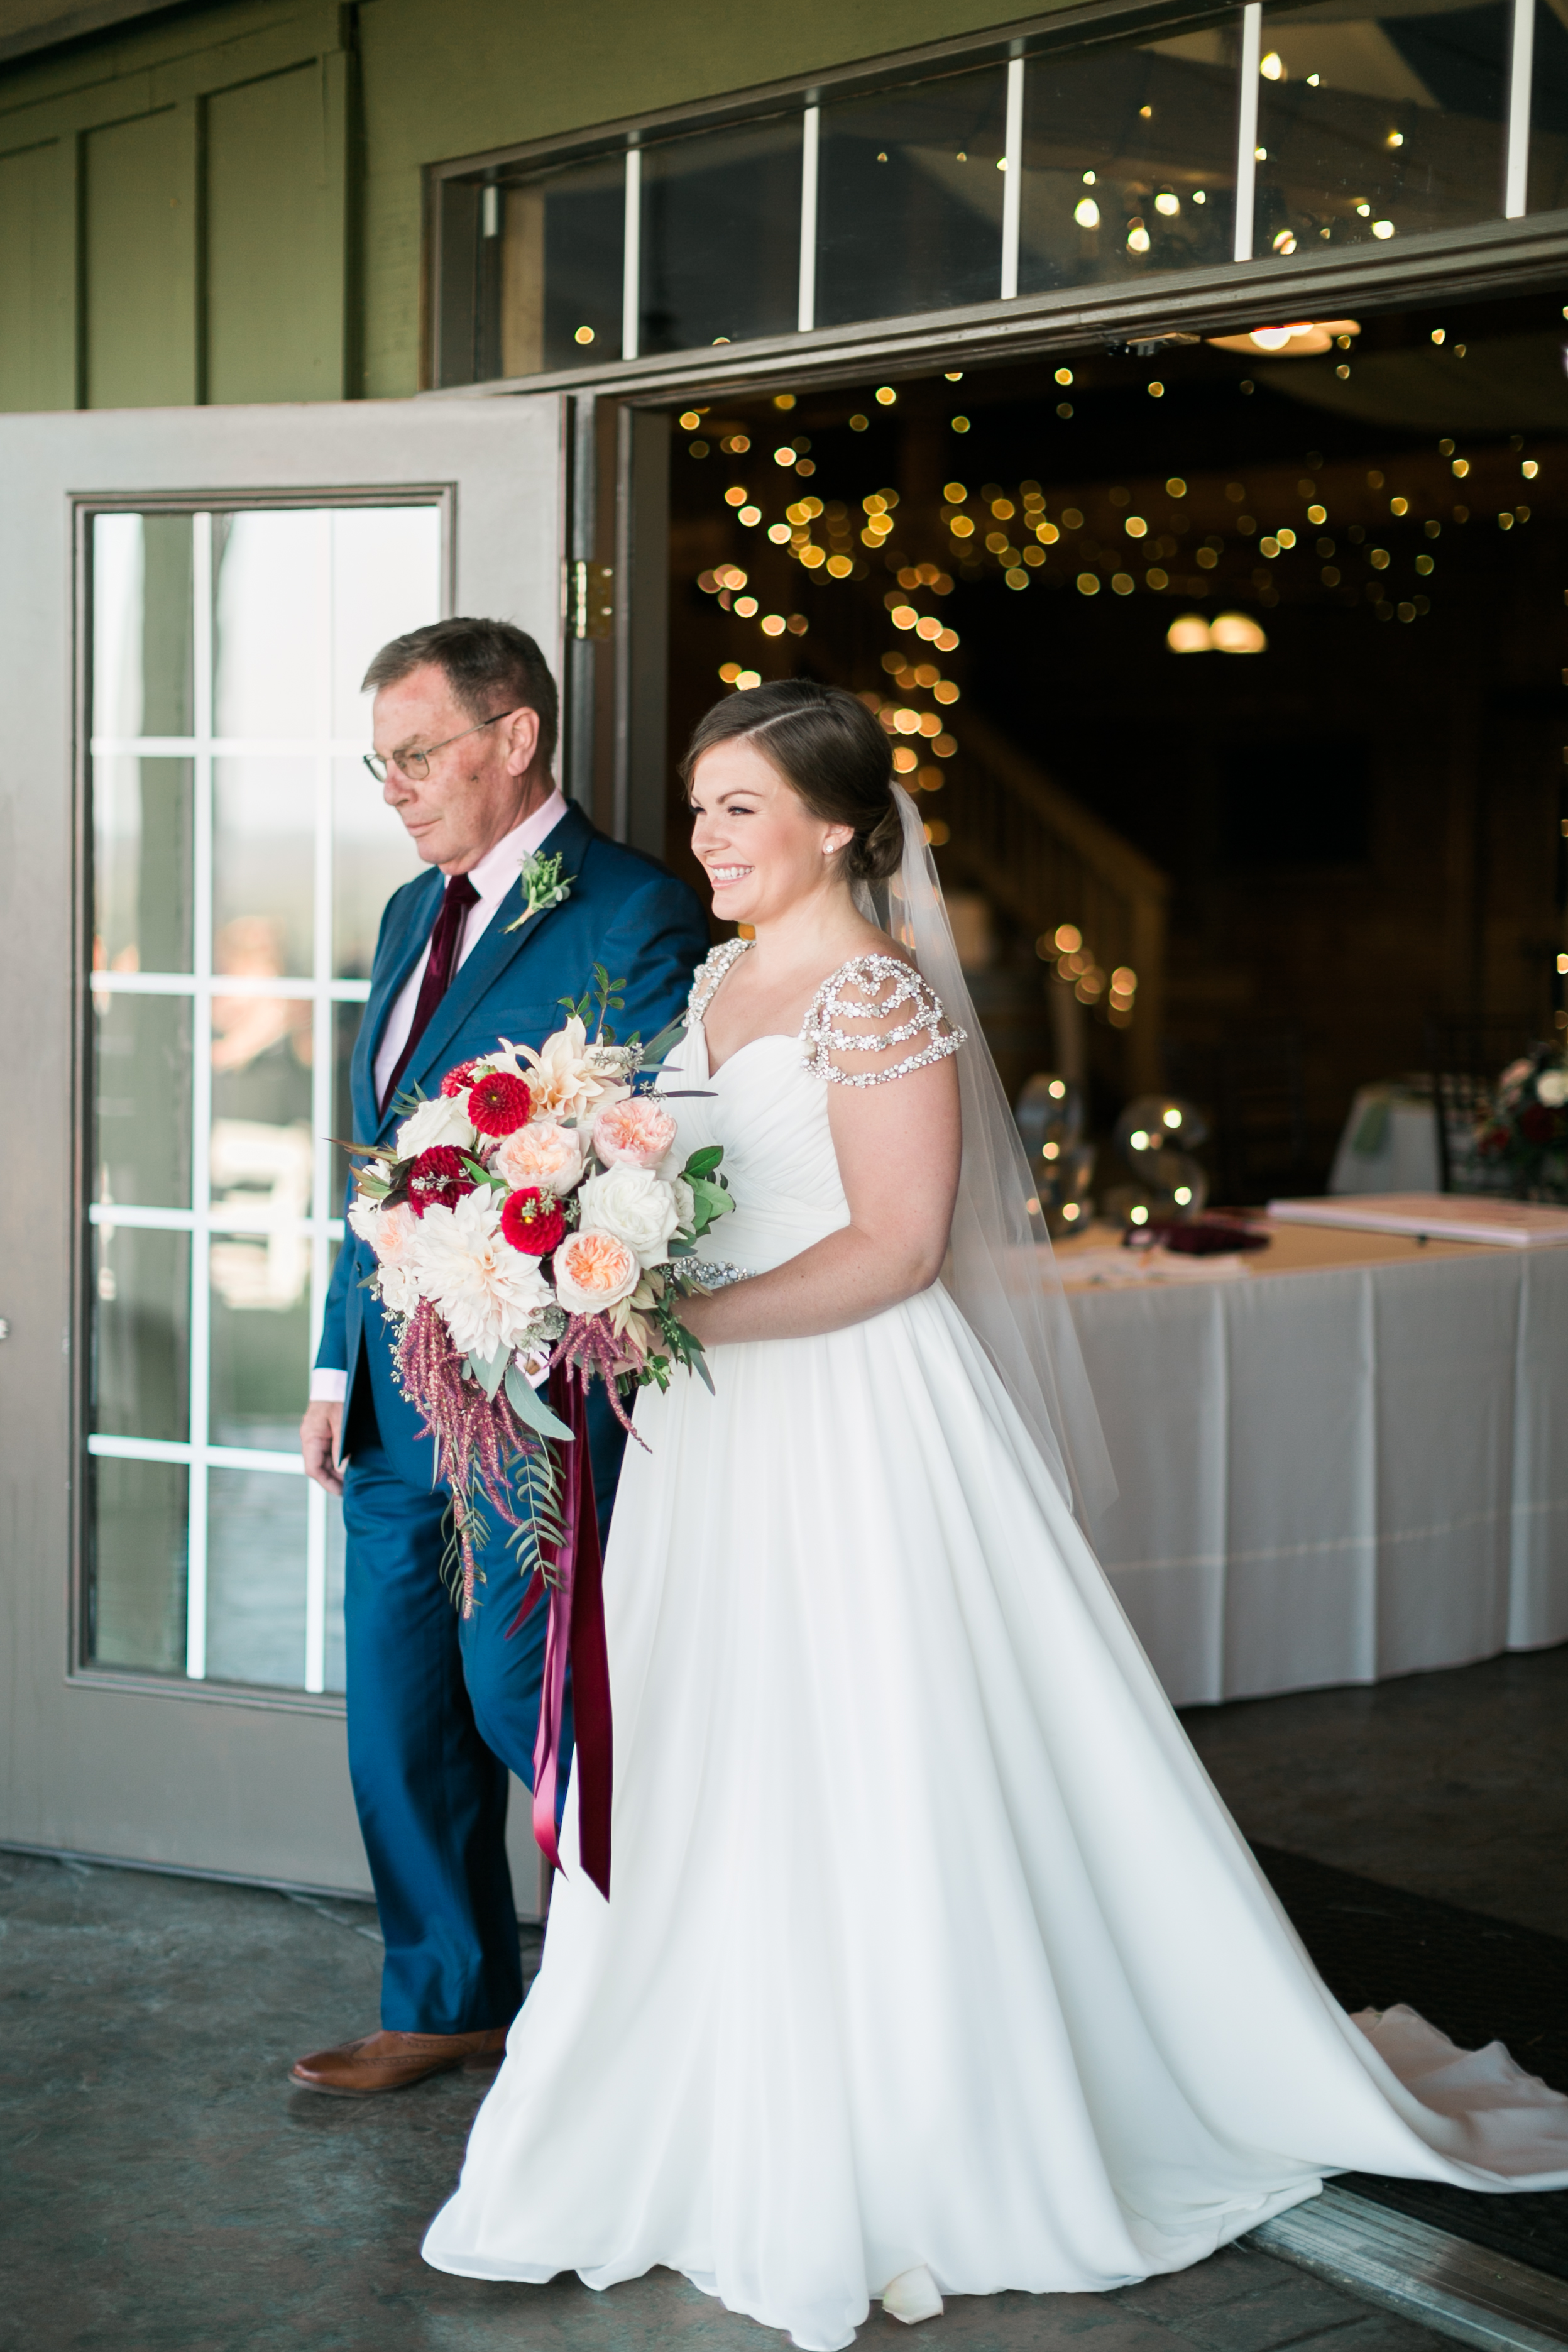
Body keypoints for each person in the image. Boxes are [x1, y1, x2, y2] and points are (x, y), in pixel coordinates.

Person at [421, 681, 1568, 2346]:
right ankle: (694, 2087)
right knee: (717, 1753)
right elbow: (684, 1189)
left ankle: (910, 2116)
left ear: (833, 823)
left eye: (739, 807)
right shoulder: (719, 979)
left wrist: (660, 1329)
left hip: (850, 1427)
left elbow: (892, 1242)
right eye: (698, 807)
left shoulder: (875, 994)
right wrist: (572, 1265)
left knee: (867, 1748)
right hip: (708, 1440)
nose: (705, 840)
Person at [293, 618, 708, 2097]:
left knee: (514, 1680)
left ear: (514, 736)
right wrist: (338, 1363)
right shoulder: (415, 910)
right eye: (380, 760)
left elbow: (641, 1150)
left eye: (416, 753)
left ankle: (669, 1968)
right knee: (398, 1696)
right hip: (394, 1385)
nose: (393, 786)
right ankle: (447, 1992)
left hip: (530, 1389)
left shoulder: (633, 910)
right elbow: (383, 1161)